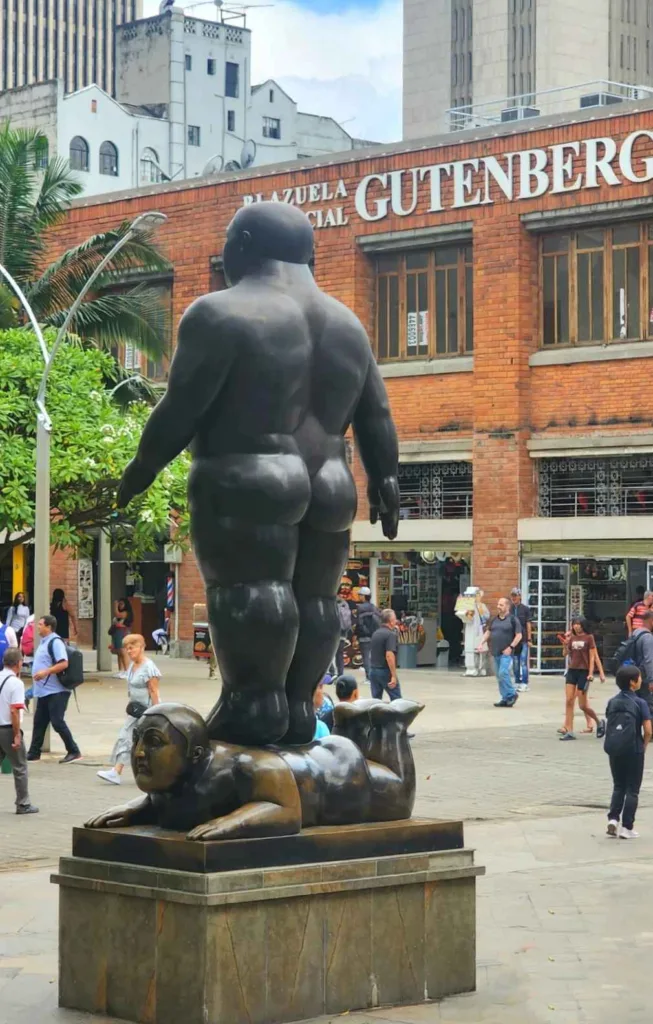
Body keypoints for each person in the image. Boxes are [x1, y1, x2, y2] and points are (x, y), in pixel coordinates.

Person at [116, 201, 400, 747]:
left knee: (251, 591)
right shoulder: (348, 325)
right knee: (317, 601)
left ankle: (254, 704)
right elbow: (377, 416)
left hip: (251, 476)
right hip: (332, 483)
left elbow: (182, 407)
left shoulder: (218, 312)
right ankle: (296, 708)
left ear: (241, 245)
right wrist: (387, 481)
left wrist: (142, 467)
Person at [98, 633, 161, 785]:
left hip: (147, 711)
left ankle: (116, 772)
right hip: (136, 710)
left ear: (141, 647)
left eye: (132, 648)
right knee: (139, 742)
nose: (129, 651)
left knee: (125, 736)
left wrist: (157, 712)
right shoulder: (132, 665)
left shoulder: (149, 667)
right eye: (127, 648)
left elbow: (154, 691)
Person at [605, 665, 652, 839]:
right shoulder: (640, 702)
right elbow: (648, 730)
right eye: (639, 678)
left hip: (615, 748)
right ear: (633, 682)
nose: (641, 680)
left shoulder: (612, 701)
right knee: (632, 789)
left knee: (618, 785)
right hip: (634, 749)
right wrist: (644, 746)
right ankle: (627, 827)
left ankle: (612, 819)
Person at [27, 615, 81, 763]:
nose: (37, 627)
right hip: (44, 691)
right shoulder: (44, 642)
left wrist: (45, 672)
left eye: (40, 624)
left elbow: (63, 663)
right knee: (39, 722)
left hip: (57, 691)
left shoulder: (55, 642)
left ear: (48, 627)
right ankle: (34, 752)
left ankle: (74, 751)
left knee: (57, 722)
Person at [0, 648, 38, 814]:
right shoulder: (16, 683)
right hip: (8, 729)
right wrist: (17, 734)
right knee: (20, 766)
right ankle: (23, 803)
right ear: (19, 663)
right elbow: (14, 711)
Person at [559, 617, 605, 741]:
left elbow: (592, 657)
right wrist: (565, 645)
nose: (576, 626)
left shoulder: (589, 638)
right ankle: (569, 730)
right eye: (574, 624)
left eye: (579, 624)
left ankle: (598, 721)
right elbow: (565, 654)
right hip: (572, 670)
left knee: (582, 705)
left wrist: (591, 673)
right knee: (569, 700)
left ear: (583, 625)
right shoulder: (572, 638)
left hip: (583, 672)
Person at [478, 597, 522, 707]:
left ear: (507, 606)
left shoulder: (513, 619)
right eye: (498, 604)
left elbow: (519, 635)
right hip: (495, 652)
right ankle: (505, 698)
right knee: (499, 676)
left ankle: (512, 694)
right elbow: (488, 632)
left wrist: (511, 647)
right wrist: (481, 643)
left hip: (506, 653)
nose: (498, 607)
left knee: (503, 673)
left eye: (501, 605)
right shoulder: (494, 620)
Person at [369, 608, 402, 701]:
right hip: (384, 671)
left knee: (376, 701)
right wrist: (393, 675)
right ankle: (396, 716)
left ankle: (375, 716)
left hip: (373, 671)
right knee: (397, 700)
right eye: (395, 619)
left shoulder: (376, 633)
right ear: (391, 622)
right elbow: (389, 655)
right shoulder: (389, 635)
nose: (396, 621)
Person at [354, 587, 381, 682]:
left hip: (364, 636)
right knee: (372, 657)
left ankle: (369, 678)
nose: (359, 597)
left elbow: (358, 623)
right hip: (374, 636)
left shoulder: (360, 608)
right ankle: (374, 676)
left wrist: (356, 634)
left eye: (360, 595)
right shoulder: (374, 607)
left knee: (365, 657)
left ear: (364, 596)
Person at [509, 587, 532, 692]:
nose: (513, 598)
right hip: (513, 639)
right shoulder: (510, 609)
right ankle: (517, 681)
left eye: (515, 595)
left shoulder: (525, 609)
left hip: (523, 639)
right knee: (515, 661)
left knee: (523, 661)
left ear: (520, 596)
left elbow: (528, 624)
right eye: (512, 596)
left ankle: (525, 682)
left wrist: (529, 638)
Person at [112, 598, 134, 678]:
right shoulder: (119, 615)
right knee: (119, 653)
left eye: (121, 604)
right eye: (119, 604)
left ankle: (127, 670)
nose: (120, 606)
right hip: (117, 633)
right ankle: (121, 670)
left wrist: (115, 605)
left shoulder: (126, 613)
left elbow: (117, 614)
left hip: (123, 633)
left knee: (124, 652)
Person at [335, 590, 353, 676]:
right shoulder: (345, 604)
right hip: (343, 634)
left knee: (329, 655)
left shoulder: (332, 602)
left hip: (333, 634)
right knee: (340, 655)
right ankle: (340, 673)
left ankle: (332, 673)